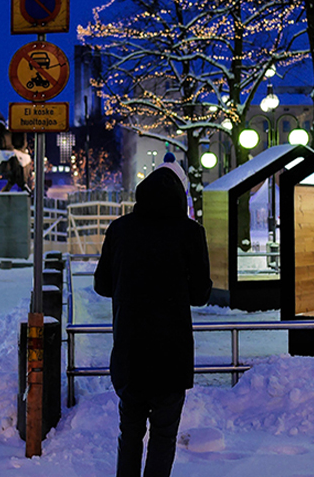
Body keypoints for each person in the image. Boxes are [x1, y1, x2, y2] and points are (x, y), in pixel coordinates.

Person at [95, 163, 212, 477]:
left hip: (129, 351)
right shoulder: (190, 232)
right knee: (164, 435)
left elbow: (101, 285)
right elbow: (201, 294)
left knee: (130, 433)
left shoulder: (120, 230)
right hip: (171, 356)